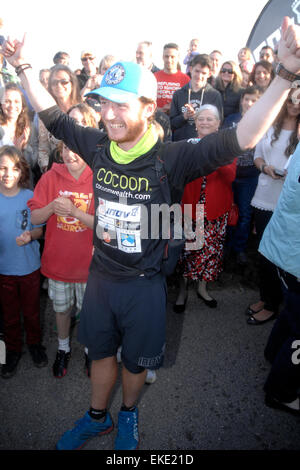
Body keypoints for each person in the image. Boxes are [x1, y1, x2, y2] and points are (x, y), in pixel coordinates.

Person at [2, 15, 300, 450]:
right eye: (105, 103)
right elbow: (51, 114)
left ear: (147, 106)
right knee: (101, 354)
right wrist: (24, 66)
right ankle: (96, 416)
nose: (109, 114)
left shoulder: (173, 157)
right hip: (100, 277)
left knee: (135, 363)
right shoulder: (97, 146)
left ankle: (127, 415)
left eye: (121, 105)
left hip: (144, 284)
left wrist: (287, 72)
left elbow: (244, 136)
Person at [28, 140, 95, 378]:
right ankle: (63, 348)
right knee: (61, 310)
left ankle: (90, 350)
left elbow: (105, 226)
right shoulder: (50, 177)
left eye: (75, 148)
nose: (70, 154)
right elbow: (35, 217)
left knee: (90, 312)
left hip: (90, 265)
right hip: (59, 262)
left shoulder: (98, 177)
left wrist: (75, 212)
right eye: (66, 148)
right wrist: (51, 208)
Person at [174, 105, 236, 312]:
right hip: (190, 208)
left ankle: (202, 288)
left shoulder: (226, 146)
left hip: (215, 209)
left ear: (218, 124)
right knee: (186, 252)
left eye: (210, 119)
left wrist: (213, 157)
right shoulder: (186, 145)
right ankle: (182, 291)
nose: (205, 122)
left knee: (210, 253)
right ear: (195, 123)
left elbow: (230, 177)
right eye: (201, 119)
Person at [247, 91, 300, 325]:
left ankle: (274, 304)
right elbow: (257, 155)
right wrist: (265, 168)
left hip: (287, 203)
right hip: (264, 195)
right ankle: (266, 298)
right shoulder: (269, 125)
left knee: (280, 257)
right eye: (291, 99)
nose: (294, 104)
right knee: (263, 252)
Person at [258, 137, 300, 415]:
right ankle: (281, 392)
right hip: (293, 248)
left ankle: (275, 353)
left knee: (293, 310)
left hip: (287, 244)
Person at [0, 145, 48, 378]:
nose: (8, 174)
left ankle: (35, 344)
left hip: (29, 268)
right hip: (4, 269)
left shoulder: (30, 197)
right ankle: (12, 350)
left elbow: (39, 231)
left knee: (31, 312)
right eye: (2, 168)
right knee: (8, 314)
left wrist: (30, 235)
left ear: (23, 172)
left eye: (14, 169)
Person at [223, 86, 262, 265]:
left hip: (249, 176)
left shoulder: (263, 121)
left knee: (245, 214)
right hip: (229, 174)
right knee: (227, 212)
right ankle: (225, 248)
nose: (249, 103)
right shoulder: (231, 120)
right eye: (246, 99)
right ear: (241, 101)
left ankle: (238, 250)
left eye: (253, 100)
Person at [38, 64, 82, 172]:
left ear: (72, 83)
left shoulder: (83, 111)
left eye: (64, 81)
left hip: (81, 170)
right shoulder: (45, 115)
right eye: (54, 82)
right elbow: (43, 148)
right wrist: (47, 169)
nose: (59, 85)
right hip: (55, 170)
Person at [170, 54, 223, 141]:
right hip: (181, 143)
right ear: (191, 69)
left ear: (209, 74)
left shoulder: (214, 95)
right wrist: (185, 116)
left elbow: (218, 123)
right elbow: (171, 124)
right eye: (197, 71)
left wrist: (200, 118)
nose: (199, 76)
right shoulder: (178, 94)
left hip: (205, 144)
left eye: (203, 73)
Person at [0, 82, 39, 186]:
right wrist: (15, 151)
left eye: (16, 101)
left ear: (22, 105)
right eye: (7, 101)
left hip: (23, 184)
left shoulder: (30, 128)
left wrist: (24, 148)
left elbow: (33, 163)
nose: (12, 105)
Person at [154, 43, 190, 115]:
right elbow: (147, 101)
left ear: (178, 57)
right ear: (162, 57)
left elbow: (189, 104)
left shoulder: (186, 79)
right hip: (157, 119)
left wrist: (174, 109)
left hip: (178, 121)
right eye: (166, 56)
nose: (169, 60)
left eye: (172, 57)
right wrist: (159, 109)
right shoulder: (154, 77)